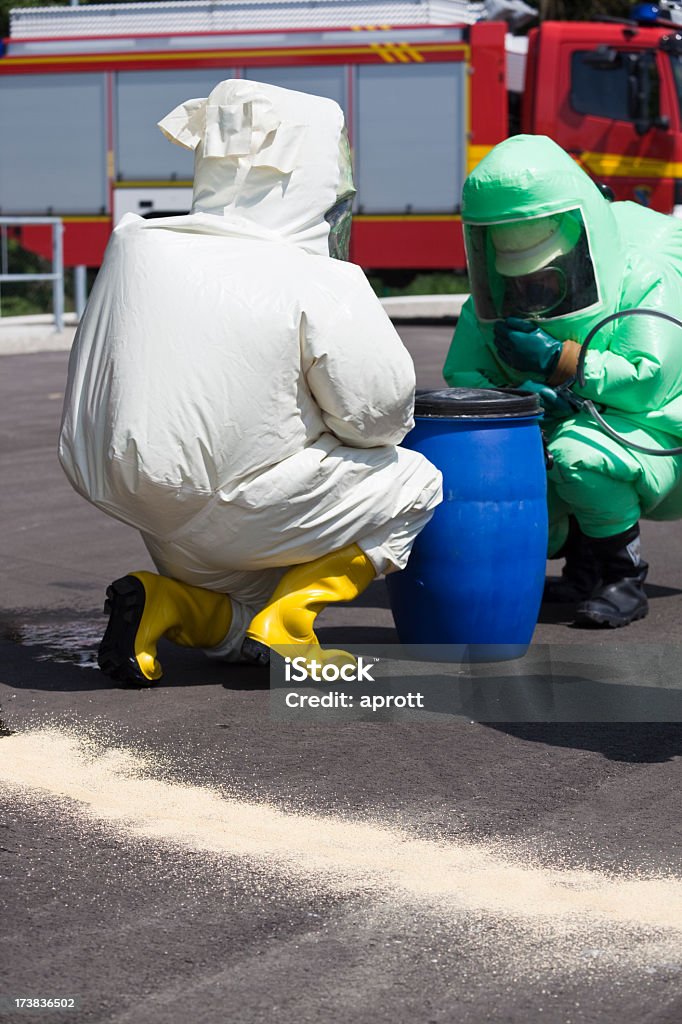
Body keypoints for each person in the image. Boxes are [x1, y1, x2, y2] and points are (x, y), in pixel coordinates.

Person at [59, 79, 442, 683]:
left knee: (243, 614)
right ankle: (292, 626)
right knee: (416, 482)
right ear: (312, 177)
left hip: (148, 504)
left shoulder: (138, 246)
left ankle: (172, 603)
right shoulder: (313, 276)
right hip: (244, 501)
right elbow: (379, 416)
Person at [443, 134, 682, 628]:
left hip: (657, 431)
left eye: (543, 278)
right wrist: (511, 399)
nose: (528, 293)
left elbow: (647, 380)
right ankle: (585, 567)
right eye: (518, 281)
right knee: (522, 446)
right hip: (584, 424)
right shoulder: (488, 303)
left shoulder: (643, 277)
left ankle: (624, 575)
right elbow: (463, 373)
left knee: (576, 454)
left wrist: (561, 361)